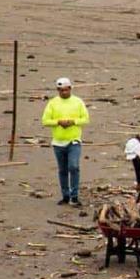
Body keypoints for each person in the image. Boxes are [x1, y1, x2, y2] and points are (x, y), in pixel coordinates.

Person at [41, 77, 90, 207]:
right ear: (58, 90)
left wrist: (73, 122)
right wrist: (58, 122)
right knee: (62, 170)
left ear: (70, 89)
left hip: (74, 140)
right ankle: (65, 195)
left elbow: (85, 119)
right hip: (58, 142)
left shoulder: (78, 102)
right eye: (61, 90)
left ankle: (74, 196)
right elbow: (45, 121)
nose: (64, 92)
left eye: (66, 90)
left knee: (73, 167)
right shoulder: (52, 103)